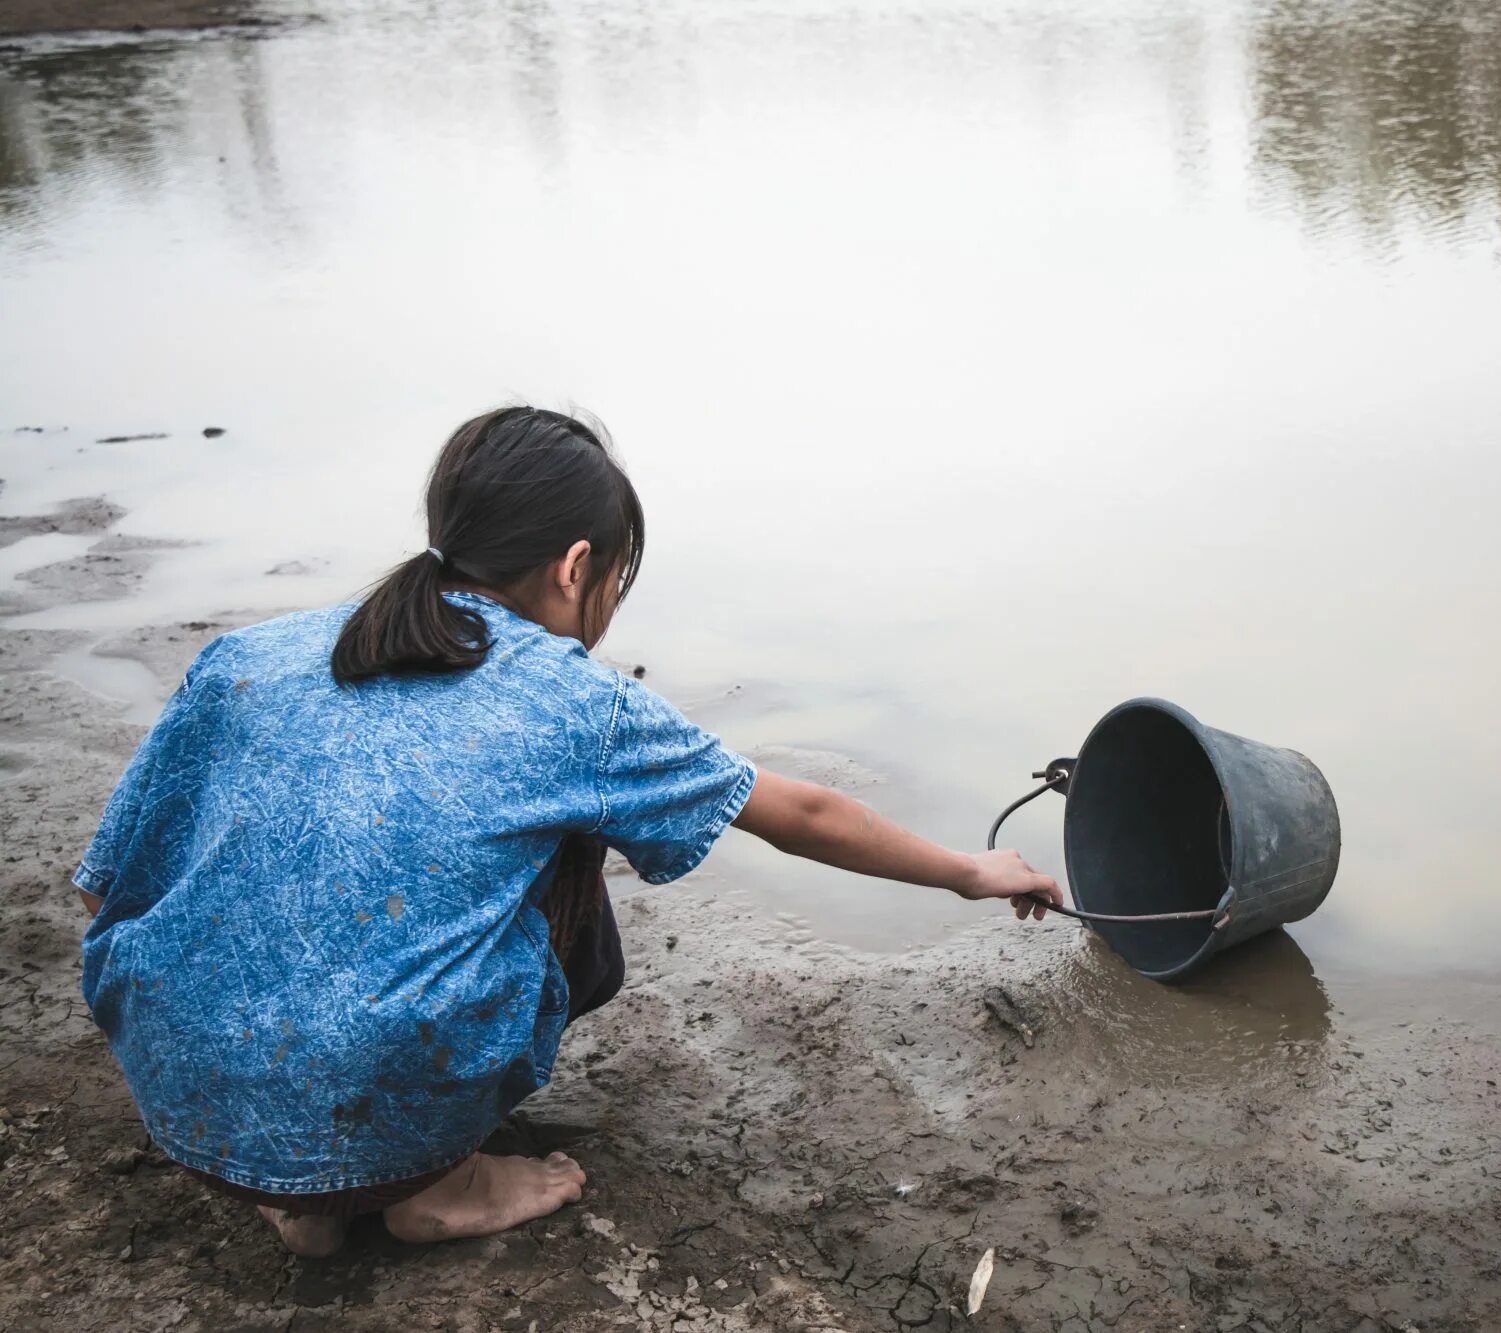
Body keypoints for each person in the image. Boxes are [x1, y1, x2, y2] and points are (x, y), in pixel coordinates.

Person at [72, 406, 1062, 1258]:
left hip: (187, 1105)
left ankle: (304, 1200)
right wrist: (966, 870)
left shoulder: (249, 655)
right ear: (577, 566)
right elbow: (800, 813)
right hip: (371, 1106)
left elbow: (105, 883)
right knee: (575, 845)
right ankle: (432, 1184)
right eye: (614, 582)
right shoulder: (567, 700)